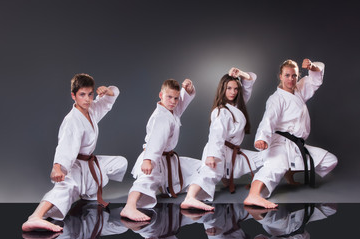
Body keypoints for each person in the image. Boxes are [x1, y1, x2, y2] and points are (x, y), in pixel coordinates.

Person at [22, 73, 128, 232]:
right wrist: (58, 166)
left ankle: (89, 192)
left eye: (90, 94)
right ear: (73, 96)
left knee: (120, 162)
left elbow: (108, 101)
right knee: (66, 186)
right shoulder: (72, 120)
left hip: (90, 164)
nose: (87, 99)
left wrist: (108, 91)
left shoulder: (91, 109)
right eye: (82, 95)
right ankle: (35, 217)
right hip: (76, 165)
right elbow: (64, 146)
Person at [244, 59, 338, 208]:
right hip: (279, 143)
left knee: (329, 160)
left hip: (296, 145)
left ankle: (289, 172)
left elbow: (315, 80)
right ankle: (253, 195)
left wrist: (312, 67)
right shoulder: (276, 99)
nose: (291, 79)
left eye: (294, 76)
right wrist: (261, 138)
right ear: (280, 76)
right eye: (287, 75)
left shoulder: (299, 90)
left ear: (297, 76)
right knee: (276, 166)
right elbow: (268, 120)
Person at [181, 67, 263, 211]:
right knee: (209, 174)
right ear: (222, 89)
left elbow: (251, 80)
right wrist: (212, 156)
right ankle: (190, 198)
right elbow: (216, 135)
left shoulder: (237, 104)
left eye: (236, 89)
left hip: (232, 152)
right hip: (218, 149)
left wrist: (241, 74)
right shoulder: (220, 111)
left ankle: (254, 183)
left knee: (264, 157)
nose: (233, 92)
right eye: (229, 88)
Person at [120, 78, 200, 222]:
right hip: (152, 156)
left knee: (198, 168)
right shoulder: (161, 117)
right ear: (160, 95)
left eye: (176, 98)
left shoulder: (172, 110)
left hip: (167, 159)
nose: (173, 101)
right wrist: (148, 160)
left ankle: (189, 197)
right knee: (145, 180)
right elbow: (155, 141)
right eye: (169, 97)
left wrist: (187, 90)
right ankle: (129, 207)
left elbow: (183, 101)